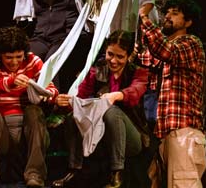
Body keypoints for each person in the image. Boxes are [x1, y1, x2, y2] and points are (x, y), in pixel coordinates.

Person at [51, 30, 151, 188]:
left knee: (111, 111)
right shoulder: (97, 70)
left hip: (131, 139)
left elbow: (135, 91)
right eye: (110, 54)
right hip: (99, 136)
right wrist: (65, 102)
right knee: (73, 116)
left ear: (129, 56)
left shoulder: (138, 73)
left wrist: (116, 95)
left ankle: (117, 172)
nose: (114, 61)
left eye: (120, 57)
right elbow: (81, 98)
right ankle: (74, 170)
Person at [0, 25, 59, 188]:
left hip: (28, 134)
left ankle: (35, 175)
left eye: (18, 56)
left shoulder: (33, 61)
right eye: (9, 57)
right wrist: (11, 81)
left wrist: (46, 94)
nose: (14, 62)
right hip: (3, 135)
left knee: (34, 111)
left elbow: (52, 89)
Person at [137, 0, 206, 187]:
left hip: (184, 132)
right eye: (166, 12)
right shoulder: (164, 50)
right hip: (166, 133)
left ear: (188, 22)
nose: (167, 16)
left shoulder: (191, 44)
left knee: (182, 184)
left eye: (175, 13)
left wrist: (144, 17)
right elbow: (145, 57)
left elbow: (166, 51)